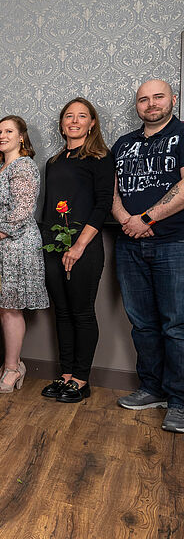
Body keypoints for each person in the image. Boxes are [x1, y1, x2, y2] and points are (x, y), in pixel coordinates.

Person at [112, 79, 184, 433]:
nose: (151, 104)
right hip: (129, 245)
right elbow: (111, 191)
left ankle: (180, 401)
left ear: (173, 99)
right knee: (142, 323)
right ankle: (152, 388)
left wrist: (146, 219)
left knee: (176, 325)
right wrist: (127, 221)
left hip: (173, 243)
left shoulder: (182, 135)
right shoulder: (123, 143)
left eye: (158, 97)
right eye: (144, 99)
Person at [40, 98, 114, 403]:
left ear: (92, 123)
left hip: (84, 246)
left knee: (82, 312)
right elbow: (48, 208)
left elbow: (103, 204)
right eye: (69, 116)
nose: (74, 121)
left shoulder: (100, 158)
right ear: (61, 124)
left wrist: (79, 246)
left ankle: (82, 379)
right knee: (62, 312)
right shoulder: (54, 162)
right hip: (52, 246)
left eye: (82, 116)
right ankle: (66, 374)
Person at [0, 116, 48, 394]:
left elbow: (23, 209)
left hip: (15, 245)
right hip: (0, 246)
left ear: (22, 137)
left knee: (10, 308)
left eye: (9, 131)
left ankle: (13, 368)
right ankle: (11, 363)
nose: (2, 135)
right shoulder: (2, 166)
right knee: (3, 306)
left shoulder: (23, 165)